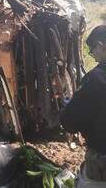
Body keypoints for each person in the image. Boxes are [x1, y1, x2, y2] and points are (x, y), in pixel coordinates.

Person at [61, 25, 106, 187]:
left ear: (101, 46)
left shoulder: (96, 79)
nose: (92, 55)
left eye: (92, 50)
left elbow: (70, 122)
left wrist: (68, 106)